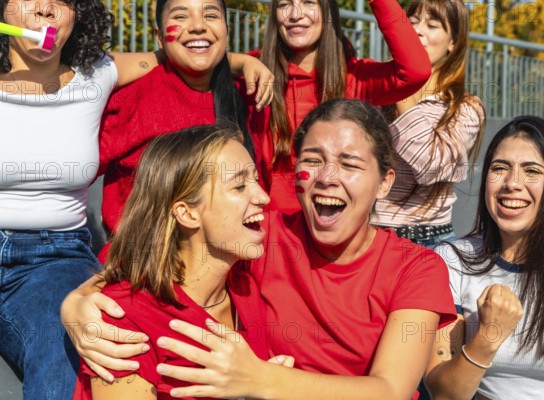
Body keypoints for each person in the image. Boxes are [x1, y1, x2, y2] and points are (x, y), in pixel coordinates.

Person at [62, 99, 457, 399]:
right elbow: (145, 257)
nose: (327, 178)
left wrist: (262, 379)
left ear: (385, 183)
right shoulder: (258, 237)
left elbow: (390, 390)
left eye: (350, 164)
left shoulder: (416, 267)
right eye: (313, 161)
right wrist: (76, 302)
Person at [0, 0, 272, 397]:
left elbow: (179, 47)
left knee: (76, 352)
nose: (44, 10)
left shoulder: (98, 74)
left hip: (52, 259)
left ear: (79, 16)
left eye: (60, 1)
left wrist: (241, 62)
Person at [72, 125, 293, 399]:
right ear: (187, 214)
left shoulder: (245, 285)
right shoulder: (123, 321)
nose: (263, 197)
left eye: (256, 180)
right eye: (239, 186)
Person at [423, 116, 544, 400]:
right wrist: (488, 336)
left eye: (531, 170)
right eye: (500, 168)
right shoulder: (449, 261)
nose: (512, 183)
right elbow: (445, 395)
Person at [99, 0, 271, 249]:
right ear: (159, 37)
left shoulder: (250, 97)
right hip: (143, 270)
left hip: (227, 272)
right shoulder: (131, 97)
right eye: (181, 17)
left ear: (226, 30)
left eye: (210, 15)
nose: (198, 26)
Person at [253, 0, 433, 214]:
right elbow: (206, 65)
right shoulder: (254, 73)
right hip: (270, 233)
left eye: (309, 2)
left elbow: (416, 71)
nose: (295, 14)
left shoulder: (355, 78)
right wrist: (239, 62)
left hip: (335, 226)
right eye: (284, 5)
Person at [375, 0, 486, 248]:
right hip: (368, 238)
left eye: (432, 24)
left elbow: (431, 165)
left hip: (428, 242)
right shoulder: (374, 92)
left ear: (453, 43)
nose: (416, 31)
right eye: (411, 22)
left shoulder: (465, 108)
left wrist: (403, 87)